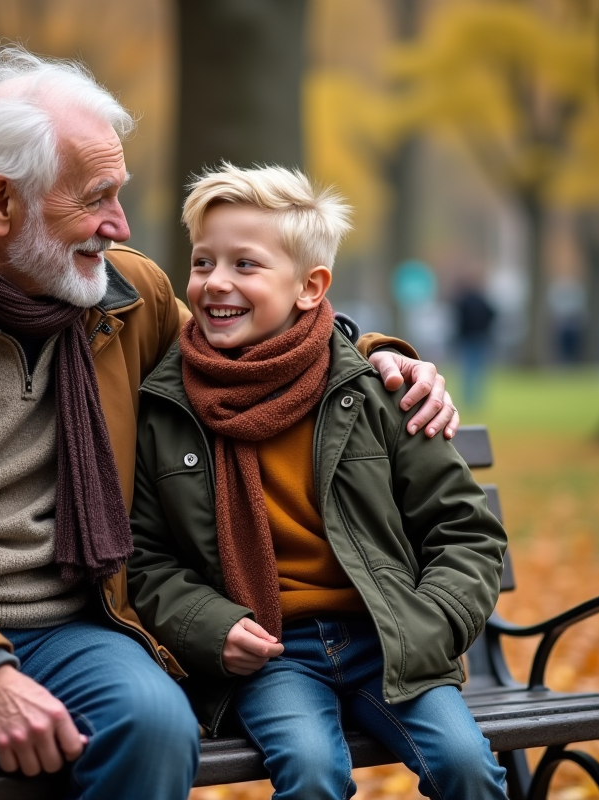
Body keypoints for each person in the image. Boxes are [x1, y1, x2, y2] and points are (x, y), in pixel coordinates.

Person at [0, 48, 460, 800]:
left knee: (155, 725)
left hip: (74, 629)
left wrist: (382, 360)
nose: (118, 225)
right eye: (95, 198)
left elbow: (266, 356)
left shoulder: (125, 297)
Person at [128, 164, 508, 799]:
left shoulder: (377, 391)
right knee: (310, 772)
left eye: (245, 265)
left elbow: (466, 532)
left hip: (389, 639)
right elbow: (145, 557)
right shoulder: (168, 407)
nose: (216, 282)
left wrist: (427, 623)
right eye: (202, 262)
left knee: (468, 766)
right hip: (273, 653)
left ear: (310, 287)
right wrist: (211, 626)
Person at [453, 278, 497, 408]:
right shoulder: (483, 301)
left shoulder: (463, 301)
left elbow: (458, 319)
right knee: (478, 370)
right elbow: (492, 314)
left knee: (468, 370)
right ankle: (476, 399)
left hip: (467, 338)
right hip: (480, 337)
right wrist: (486, 328)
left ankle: (468, 399)